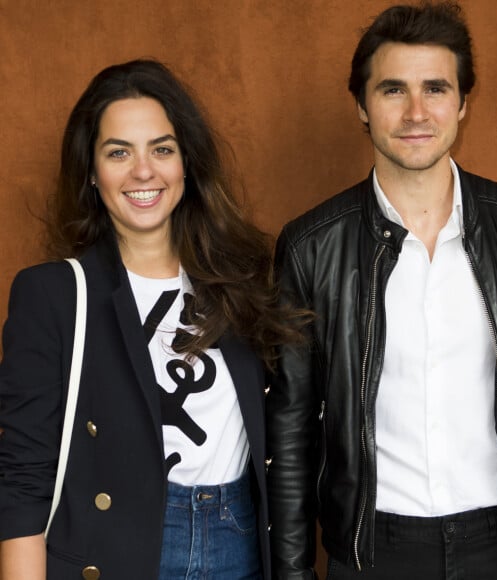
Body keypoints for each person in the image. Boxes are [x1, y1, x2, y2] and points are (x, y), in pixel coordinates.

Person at [267, 2, 497, 579]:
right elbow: (290, 425)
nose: (416, 112)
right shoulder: (311, 247)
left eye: (435, 88)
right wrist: (291, 571)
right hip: (372, 549)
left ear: (462, 102)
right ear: (362, 106)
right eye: (393, 90)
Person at [0, 59, 303, 580]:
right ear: (92, 173)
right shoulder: (52, 294)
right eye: (119, 152)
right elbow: (23, 480)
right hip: (119, 553)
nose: (144, 171)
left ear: (187, 163)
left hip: (240, 544)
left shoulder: (243, 281)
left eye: (161, 149)